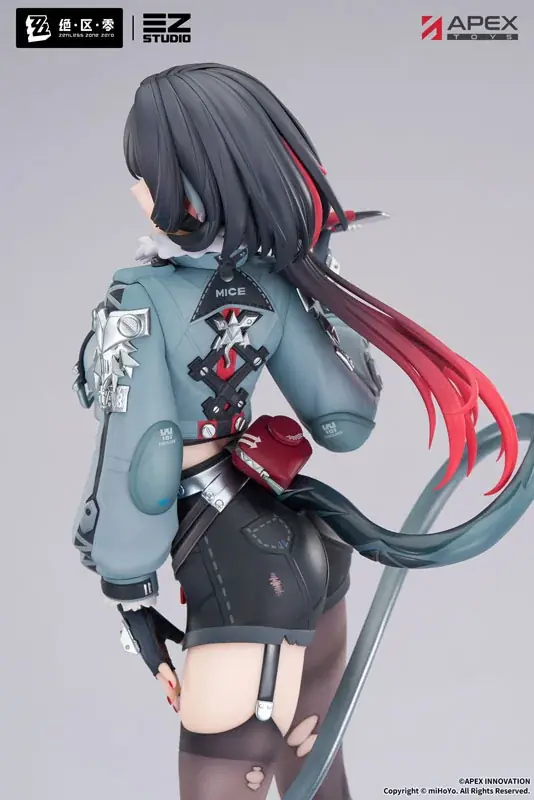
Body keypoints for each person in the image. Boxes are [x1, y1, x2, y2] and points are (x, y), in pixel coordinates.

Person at [71, 64, 520, 800]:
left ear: (185, 186)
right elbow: (345, 420)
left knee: (228, 783)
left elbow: (144, 454)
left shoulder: (139, 299)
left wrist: (128, 590)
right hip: (304, 546)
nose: (136, 191)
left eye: (145, 175)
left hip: (233, 571)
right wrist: (319, 285)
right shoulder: (271, 287)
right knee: (318, 782)